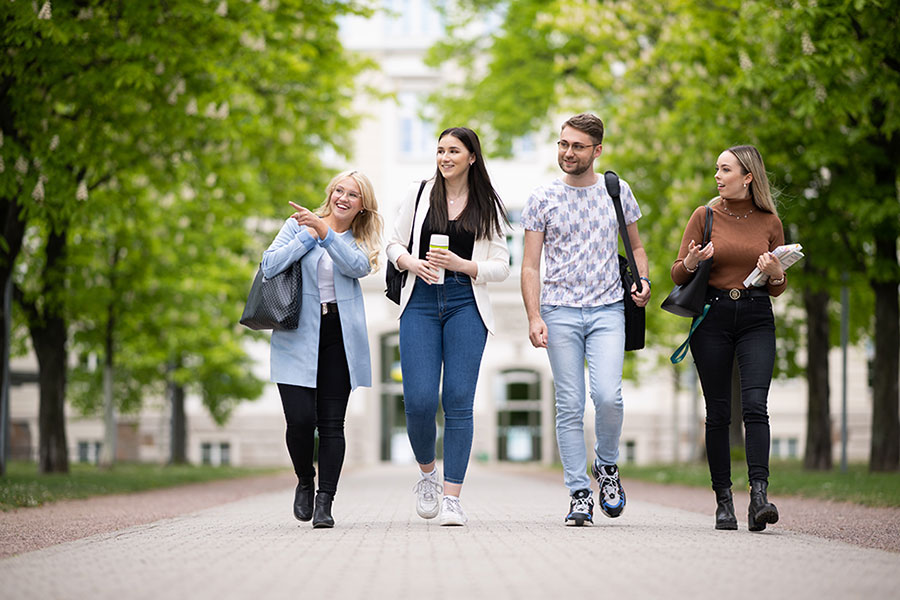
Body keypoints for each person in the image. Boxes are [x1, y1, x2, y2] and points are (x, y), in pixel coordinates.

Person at [521, 113, 651, 526]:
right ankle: (579, 493)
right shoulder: (541, 197)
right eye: (563, 144)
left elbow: (636, 247)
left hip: (608, 309)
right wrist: (534, 315)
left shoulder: (617, 190)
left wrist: (644, 280)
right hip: (559, 312)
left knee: (609, 397)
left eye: (577, 146)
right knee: (570, 404)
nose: (568, 152)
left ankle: (607, 468)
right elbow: (529, 266)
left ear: (597, 150)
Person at [386, 127, 510, 526]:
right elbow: (392, 243)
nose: (445, 157)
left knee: (458, 399)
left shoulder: (487, 205)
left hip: (465, 302)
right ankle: (427, 476)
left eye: (453, 151)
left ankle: (453, 497)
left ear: (472, 157)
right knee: (419, 401)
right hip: (420, 300)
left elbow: (502, 265)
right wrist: (410, 263)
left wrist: (464, 265)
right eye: (440, 150)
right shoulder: (420, 193)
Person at [671, 144, 784, 532]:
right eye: (717, 169)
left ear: (747, 177)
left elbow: (777, 288)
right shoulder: (704, 215)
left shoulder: (769, 221)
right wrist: (692, 261)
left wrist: (775, 271)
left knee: (755, 406)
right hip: (713, 316)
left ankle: (759, 498)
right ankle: (723, 502)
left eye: (726, 170)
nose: (718, 176)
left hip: (756, 316)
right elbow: (677, 274)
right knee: (718, 413)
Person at [262, 170, 383, 529]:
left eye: (354, 195)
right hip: (297, 332)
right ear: (330, 193)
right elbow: (269, 265)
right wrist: (307, 234)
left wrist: (325, 233)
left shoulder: (358, 240)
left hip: (338, 335)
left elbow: (357, 266)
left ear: (363, 206)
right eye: (339, 191)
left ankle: (325, 501)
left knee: (332, 424)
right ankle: (304, 480)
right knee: (299, 421)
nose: (343, 198)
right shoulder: (297, 224)